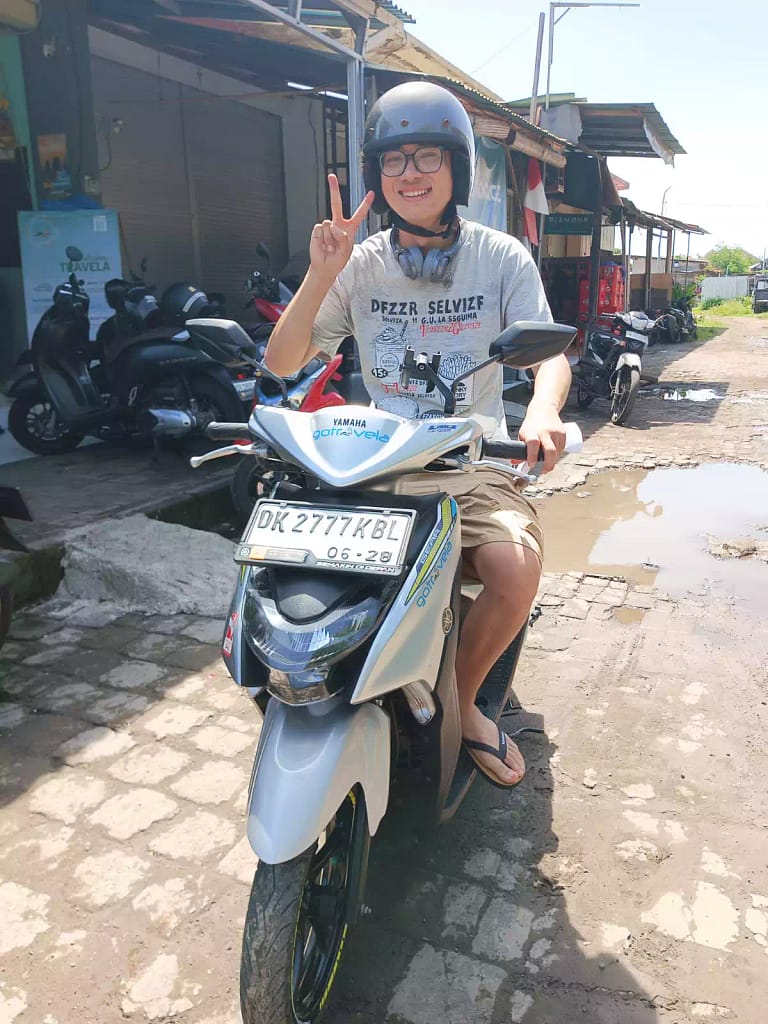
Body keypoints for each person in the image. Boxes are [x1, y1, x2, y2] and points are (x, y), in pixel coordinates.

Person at [265, 81, 571, 788]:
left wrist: (543, 410)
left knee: (514, 570)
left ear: (456, 169)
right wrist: (321, 274)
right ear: (377, 175)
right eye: (394, 161)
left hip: (471, 463)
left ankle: (463, 704)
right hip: (374, 469)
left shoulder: (501, 257)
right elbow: (281, 364)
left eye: (426, 156)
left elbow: (550, 352)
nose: (409, 174)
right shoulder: (360, 263)